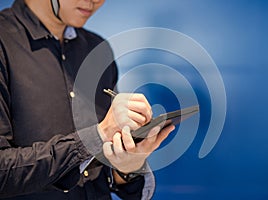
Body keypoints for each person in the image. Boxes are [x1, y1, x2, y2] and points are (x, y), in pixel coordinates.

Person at [0, 0, 175, 199]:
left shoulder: (97, 49)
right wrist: (98, 135)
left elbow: (103, 171)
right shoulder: (4, 42)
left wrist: (127, 167)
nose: (94, 1)